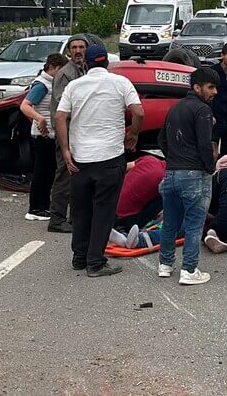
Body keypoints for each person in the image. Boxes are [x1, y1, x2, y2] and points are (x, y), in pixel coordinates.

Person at [56, 45, 144, 278]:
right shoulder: (121, 83)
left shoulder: (74, 86)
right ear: (107, 63)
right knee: (103, 212)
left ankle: (79, 257)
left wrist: (66, 150)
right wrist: (133, 134)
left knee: (81, 210)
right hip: (109, 158)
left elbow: (60, 117)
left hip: (80, 160)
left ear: (86, 63)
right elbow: (139, 112)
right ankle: (95, 262)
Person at [157, 67, 220, 285]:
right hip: (194, 174)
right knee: (194, 223)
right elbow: (204, 143)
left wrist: (173, 158)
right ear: (197, 87)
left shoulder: (175, 108)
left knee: (170, 223)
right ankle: (189, 270)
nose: (215, 92)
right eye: (210, 87)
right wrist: (210, 166)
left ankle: (165, 265)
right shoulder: (203, 110)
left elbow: (161, 140)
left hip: (171, 173)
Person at [45, 34, 93, 233]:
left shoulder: (83, 70)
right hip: (67, 133)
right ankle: (56, 219)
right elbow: (64, 107)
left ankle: (74, 217)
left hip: (78, 133)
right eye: (74, 47)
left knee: (76, 176)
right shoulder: (65, 74)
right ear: (69, 51)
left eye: (82, 47)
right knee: (64, 175)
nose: (78, 50)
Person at [20, 52, 70, 221]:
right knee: (42, 173)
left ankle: (43, 205)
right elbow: (25, 105)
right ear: (53, 67)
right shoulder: (42, 85)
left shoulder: (51, 83)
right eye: (60, 70)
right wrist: (39, 118)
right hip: (42, 136)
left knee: (48, 173)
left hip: (49, 134)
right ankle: (35, 208)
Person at [113, 154, 167, 232]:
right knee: (167, 194)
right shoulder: (166, 178)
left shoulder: (149, 159)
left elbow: (124, 168)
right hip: (122, 220)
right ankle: (129, 229)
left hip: (109, 207)